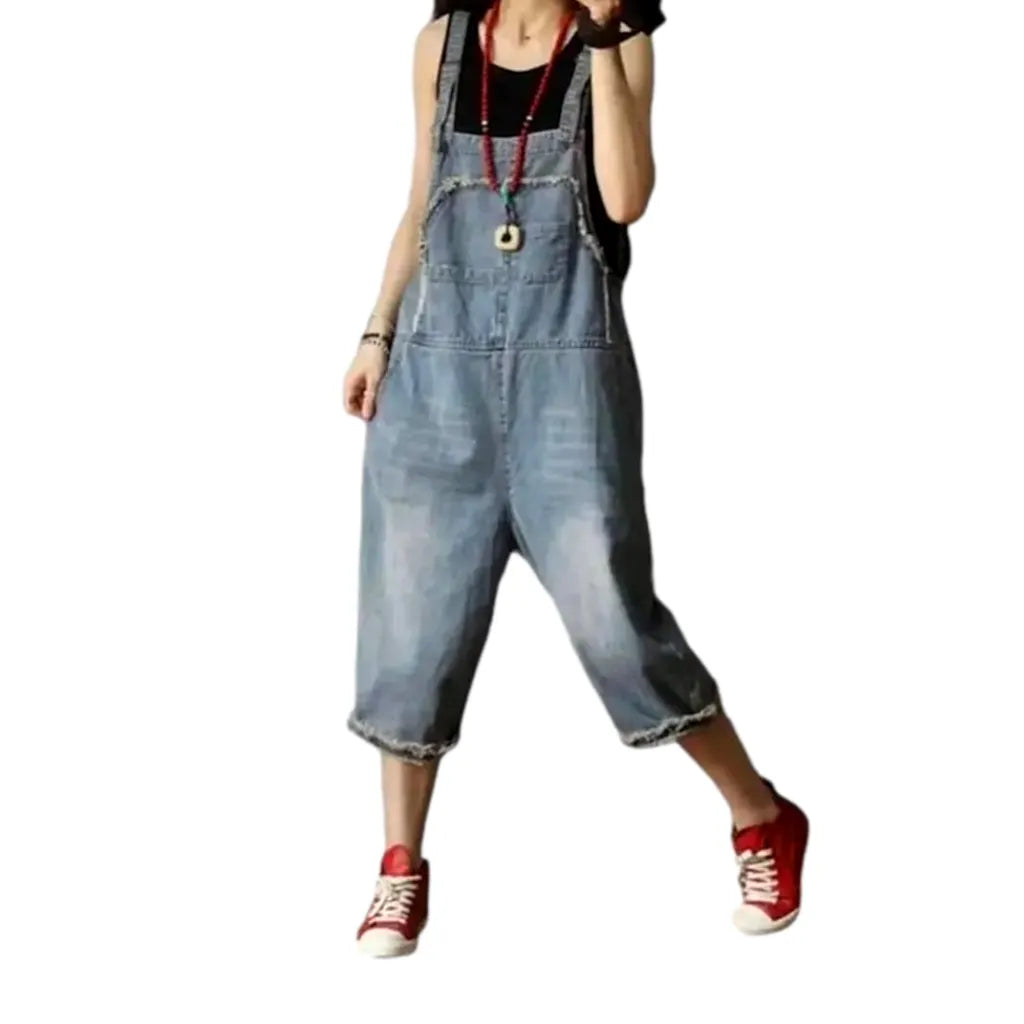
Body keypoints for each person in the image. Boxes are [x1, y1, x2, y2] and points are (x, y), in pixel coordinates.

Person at [343, 0, 808, 958]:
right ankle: (399, 866)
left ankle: (762, 816)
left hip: (569, 385)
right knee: (409, 636)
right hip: (436, 381)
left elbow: (627, 198)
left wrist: (600, 39)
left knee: (616, 625)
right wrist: (376, 331)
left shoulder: (617, 43)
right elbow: (420, 204)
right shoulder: (440, 46)